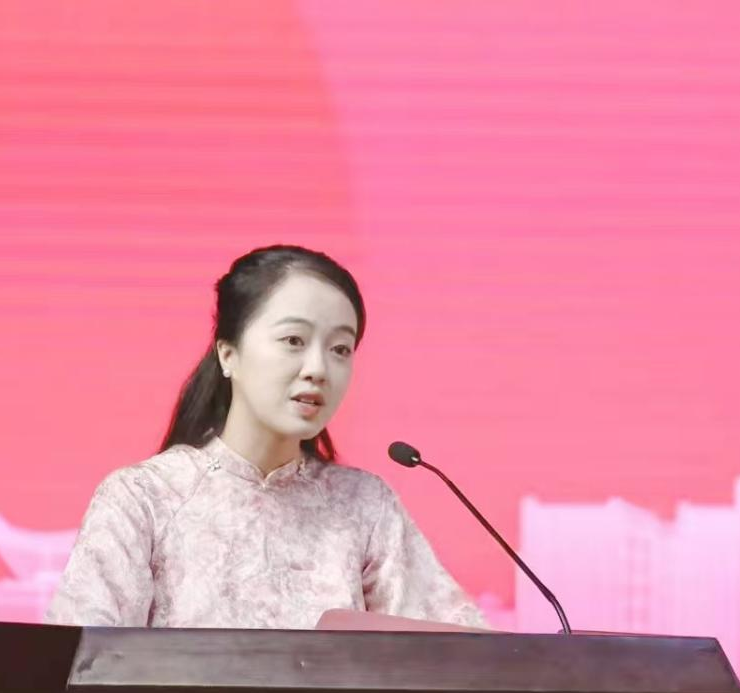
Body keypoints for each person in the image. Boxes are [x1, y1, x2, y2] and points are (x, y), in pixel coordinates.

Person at [44, 245, 488, 630]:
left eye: (340, 349)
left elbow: (456, 655)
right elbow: (79, 661)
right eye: (294, 340)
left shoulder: (364, 507)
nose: (318, 369)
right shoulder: (145, 498)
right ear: (228, 354)